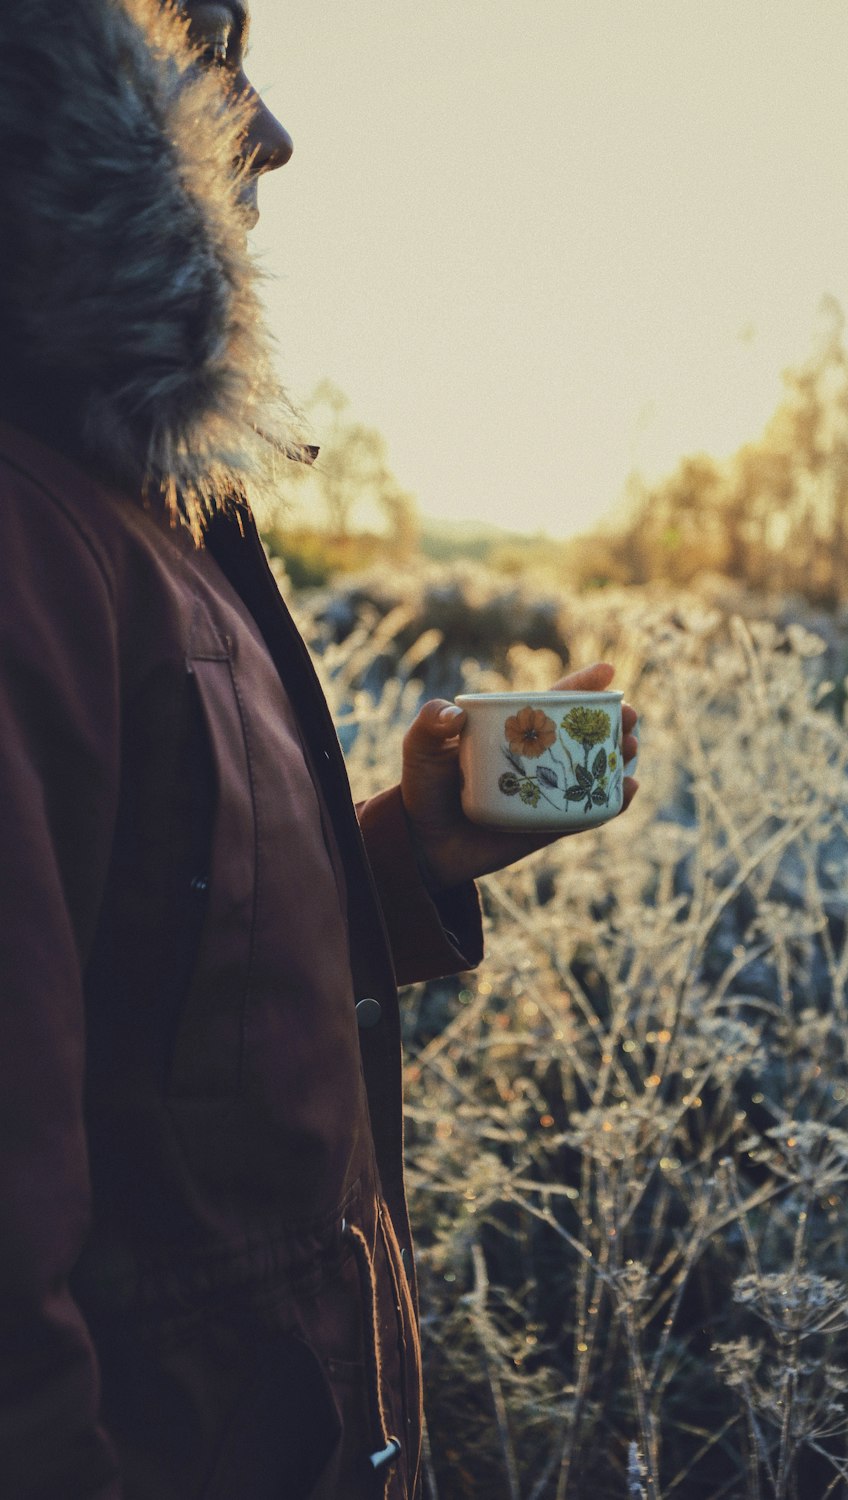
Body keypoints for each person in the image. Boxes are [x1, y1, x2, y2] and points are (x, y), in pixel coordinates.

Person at [0, 2, 638, 1497]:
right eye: (204, 48)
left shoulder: (127, 514)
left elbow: (145, 979)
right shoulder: (33, 537)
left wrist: (408, 852)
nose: (268, 133)